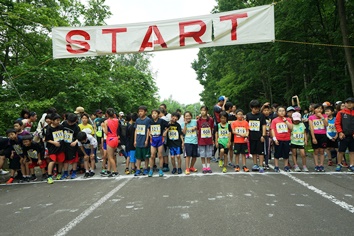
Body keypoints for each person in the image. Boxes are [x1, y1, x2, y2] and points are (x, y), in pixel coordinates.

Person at [246, 100, 267, 172]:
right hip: (251, 136)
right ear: (251, 108)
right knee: (253, 151)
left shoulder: (261, 115)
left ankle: (261, 165)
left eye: (258, 108)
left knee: (260, 152)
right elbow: (246, 126)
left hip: (259, 136)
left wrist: (263, 135)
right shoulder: (248, 115)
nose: (257, 110)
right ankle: (255, 164)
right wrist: (247, 136)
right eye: (255, 108)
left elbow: (264, 126)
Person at [271, 107, 293, 172]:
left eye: (283, 111)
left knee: (286, 153)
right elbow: (273, 130)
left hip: (286, 139)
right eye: (280, 111)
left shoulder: (288, 119)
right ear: (277, 112)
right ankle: (276, 166)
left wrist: (286, 121)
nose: (282, 112)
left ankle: (286, 166)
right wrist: (274, 139)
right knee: (277, 153)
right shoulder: (274, 120)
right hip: (278, 139)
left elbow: (291, 128)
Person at [44, 113, 65, 184]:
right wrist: (54, 143)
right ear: (52, 121)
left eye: (59, 120)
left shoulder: (61, 127)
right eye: (57, 120)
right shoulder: (49, 128)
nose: (58, 122)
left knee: (60, 161)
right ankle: (49, 176)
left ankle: (59, 173)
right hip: (52, 148)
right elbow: (47, 139)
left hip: (60, 147)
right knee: (52, 161)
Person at [335, 97, 354, 172]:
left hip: (352, 135)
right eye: (347, 102)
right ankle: (339, 164)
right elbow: (337, 123)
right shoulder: (341, 113)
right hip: (343, 135)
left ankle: (352, 164)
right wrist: (340, 132)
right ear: (345, 104)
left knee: (352, 151)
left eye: (351, 103)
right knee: (341, 151)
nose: (349, 104)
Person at [148, 109, 168, 177]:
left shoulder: (161, 121)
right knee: (152, 155)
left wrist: (165, 132)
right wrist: (149, 133)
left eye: (155, 113)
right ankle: (151, 169)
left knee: (160, 155)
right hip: (153, 139)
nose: (153, 114)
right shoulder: (150, 121)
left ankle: (160, 169)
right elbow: (148, 128)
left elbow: (168, 125)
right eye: (152, 113)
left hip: (160, 139)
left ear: (158, 114)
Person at [309, 104, 328, 172]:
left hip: (323, 135)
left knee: (322, 151)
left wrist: (322, 117)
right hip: (315, 135)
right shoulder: (311, 117)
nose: (319, 110)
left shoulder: (325, 116)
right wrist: (313, 138)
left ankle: (321, 165)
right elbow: (311, 128)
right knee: (316, 151)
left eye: (321, 108)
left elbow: (326, 124)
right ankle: (316, 165)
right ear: (314, 110)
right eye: (317, 108)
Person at [101, 108, 119, 177]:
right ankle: (109, 170)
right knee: (113, 156)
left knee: (110, 157)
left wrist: (103, 127)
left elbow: (106, 132)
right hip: (115, 138)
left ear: (107, 114)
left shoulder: (106, 121)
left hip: (110, 138)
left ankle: (115, 171)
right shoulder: (117, 120)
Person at [61, 113, 80, 179]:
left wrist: (75, 142)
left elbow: (79, 137)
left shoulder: (76, 127)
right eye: (68, 121)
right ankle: (65, 172)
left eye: (71, 122)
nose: (69, 123)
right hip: (64, 144)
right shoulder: (63, 124)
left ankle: (74, 172)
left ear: (75, 121)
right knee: (65, 159)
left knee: (74, 159)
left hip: (72, 145)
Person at [134, 106, 151, 176]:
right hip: (138, 140)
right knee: (138, 156)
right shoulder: (137, 120)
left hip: (144, 141)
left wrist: (147, 140)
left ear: (145, 112)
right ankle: (138, 169)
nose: (140, 113)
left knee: (146, 156)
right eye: (139, 111)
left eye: (142, 111)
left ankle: (146, 168)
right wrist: (135, 140)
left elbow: (148, 130)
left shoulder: (148, 120)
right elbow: (136, 130)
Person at [197, 106, 214, 174]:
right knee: (202, 154)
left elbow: (212, 128)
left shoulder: (210, 119)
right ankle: (204, 167)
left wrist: (212, 138)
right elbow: (197, 130)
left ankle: (208, 167)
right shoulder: (198, 120)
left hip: (209, 139)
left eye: (204, 110)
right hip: (201, 140)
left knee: (209, 154)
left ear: (207, 111)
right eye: (201, 110)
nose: (202, 112)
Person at [261, 104, 272, 169]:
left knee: (267, 150)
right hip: (263, 135)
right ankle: (261, 163)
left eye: (267, 110)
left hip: (268, 136)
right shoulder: (261, 117)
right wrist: (263, 105)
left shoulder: (270, 118)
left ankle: (266, 163)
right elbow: (260, 111)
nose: (266, 112)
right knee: (262, 150)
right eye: (265, 110)